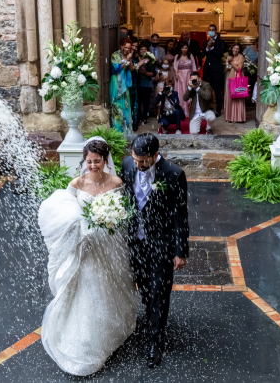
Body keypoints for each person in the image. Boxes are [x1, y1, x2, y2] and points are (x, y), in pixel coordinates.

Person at [39, 137, 139, 376]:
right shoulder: (77, 183)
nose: (93, 166)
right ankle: (86, 341)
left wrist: (111, 218)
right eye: (89, 161)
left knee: (110, 284)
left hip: (109, 243)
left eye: (98, 161)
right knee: (89, 283)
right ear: (84, 161)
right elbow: (67, 213)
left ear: (106, 160)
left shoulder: (116, 182)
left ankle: (111, 328)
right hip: (86, 246)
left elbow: (123, 213)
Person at [121, 133, 189, 368]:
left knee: (159, 291)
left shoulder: (174, 174)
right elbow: (126, 199)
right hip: (136, 243)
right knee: (145, 288)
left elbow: (181, 215)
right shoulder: (127, 165)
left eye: (143, 162)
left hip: (162, 243)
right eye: (135, 159)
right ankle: (153, 319)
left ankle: (155, 341)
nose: (138, 165)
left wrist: (181, 251)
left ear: (155, 155)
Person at [109, 38, 137, 133]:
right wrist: (127, 58)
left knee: (125, 106)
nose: (126, 49)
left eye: (128, 48)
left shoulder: (128, 55)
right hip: (117, 83)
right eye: (125, 47)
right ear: (121, 46)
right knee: (117, 107)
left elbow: (132, 68)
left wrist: (130, 58)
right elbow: (116, 68)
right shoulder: (115, 55)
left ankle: (126, 130)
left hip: (125, 85)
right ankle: (118, 131)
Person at [200, 24, 226, 117]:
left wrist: (212, 48)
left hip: (216, 70)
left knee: (217, 90)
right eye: (209, 29)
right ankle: (206, 108)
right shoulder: (206, 42)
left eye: (213, 30)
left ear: (215, 31)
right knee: (206, 89)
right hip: (207, 69)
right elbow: (202, 55)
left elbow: (219, 55)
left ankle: (218, 110)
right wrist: (207, 48)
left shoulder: (220, 42)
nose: (211, 31)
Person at [174, 42, 198, 118]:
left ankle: (190, 111)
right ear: (180, 49)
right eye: (182, 48)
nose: (184, 49)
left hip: (189, 76)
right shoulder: (177, 56)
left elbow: (194, 67)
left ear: (188, 49)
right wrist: (176, 75)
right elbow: (175, 67)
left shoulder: (191, 56)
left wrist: (194, 78)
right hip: (180, 77)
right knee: (181, 93)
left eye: (186, 48)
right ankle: (181, 111)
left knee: (189, 92)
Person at [224, 44, 247, 123]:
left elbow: (239, 69)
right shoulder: (230, 57)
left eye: (237, 49)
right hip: (230, 77)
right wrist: (227, 61)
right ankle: (230, 117)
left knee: (238, 96)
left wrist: (231, 62)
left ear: (239, 50)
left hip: (238, 78)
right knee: (230, 97)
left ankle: (238, 118)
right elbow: (227, 69)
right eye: (234, 48)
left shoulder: (241, 57)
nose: (235, 50)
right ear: (232, 48)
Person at [136, 40, 155, 125]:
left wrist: (144, 72)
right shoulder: (136, 59)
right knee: (139, 102)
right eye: (141, 49)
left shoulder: (150, 61)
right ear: (139, 50)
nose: (143, 51)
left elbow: (152, 73)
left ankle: (145, 118)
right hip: (139, 84)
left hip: (147, 84)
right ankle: (139, 118)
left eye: (145, 49)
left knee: (146, 102)